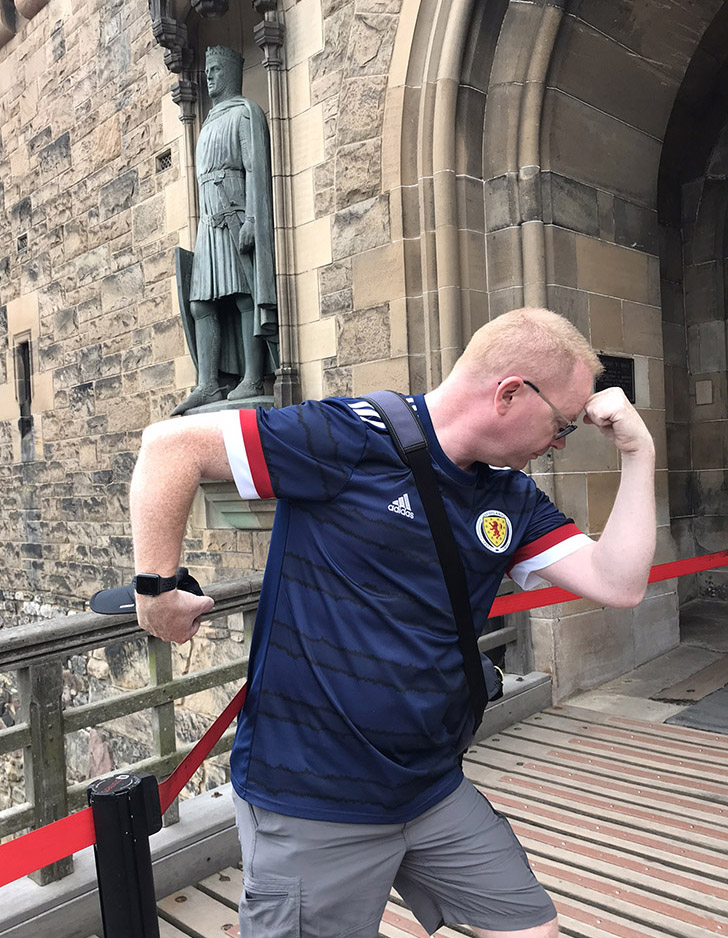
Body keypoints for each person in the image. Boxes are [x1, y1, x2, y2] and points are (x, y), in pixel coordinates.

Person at [129, 307, 656, 938]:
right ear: (510, 393)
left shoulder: (510, 497)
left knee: (530, 928)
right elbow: (172, 446)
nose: (560, 443)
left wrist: (638, 452)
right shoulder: (349, 435)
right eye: (561, 424)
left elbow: (618, 583)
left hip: (429, 787)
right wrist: (156, 593)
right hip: (314, 798)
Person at [172, 45, 278, 416]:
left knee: (245, 297)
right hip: (208, 223)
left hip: (236, 216)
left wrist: (253, 220)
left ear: (231, 72)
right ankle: (208, 383)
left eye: (216, 69)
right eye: (207, 70)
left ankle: (253, 378)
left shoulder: (244, 113)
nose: (209, 76)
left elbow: (255, 169)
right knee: (201, 303)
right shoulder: (207, 122)